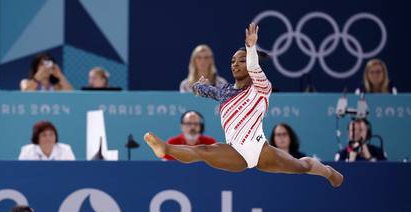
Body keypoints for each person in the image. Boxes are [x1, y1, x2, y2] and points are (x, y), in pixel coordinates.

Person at [144, 23, 343, 188]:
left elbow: (255, 67)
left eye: (241, 60)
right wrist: (199, 86)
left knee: (302, 167)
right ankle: (165, 149)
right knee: (202, 151)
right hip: (235, 153)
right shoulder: (224, 91)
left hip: (261, 150)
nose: (235, 64)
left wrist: (250, 48)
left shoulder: (261, 87)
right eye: (233, 61)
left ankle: (326, 171)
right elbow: (204, 90)